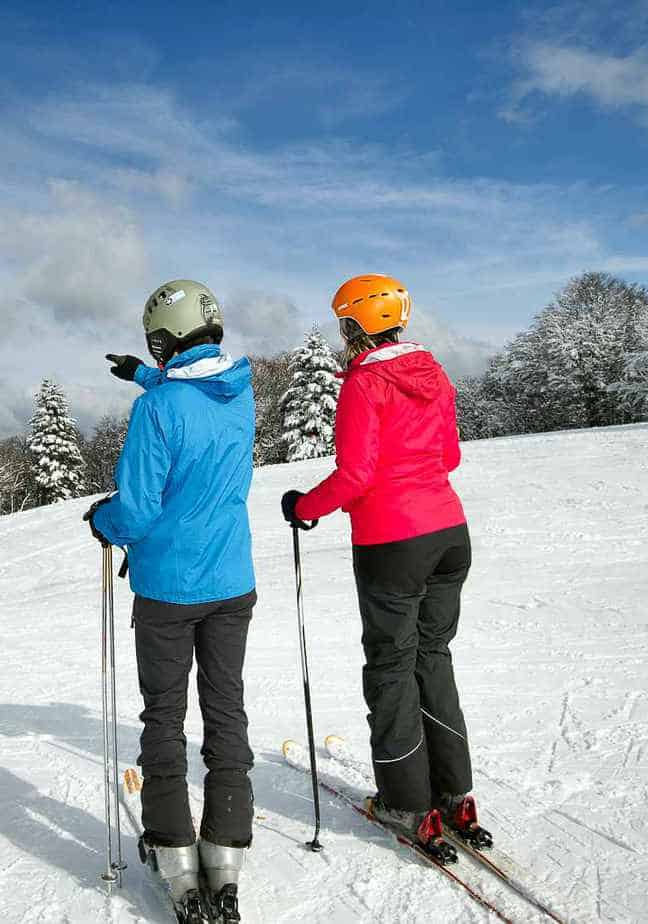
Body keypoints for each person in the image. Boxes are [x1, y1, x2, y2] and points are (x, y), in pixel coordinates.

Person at [279, 274, 491, 865]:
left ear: (355, 326)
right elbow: (448, 455)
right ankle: (454, 796)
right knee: (434, 658)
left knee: (392, 668)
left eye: (343, 323)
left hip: (392, 544)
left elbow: (355, 476)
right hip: (450, 534)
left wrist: (302, 507)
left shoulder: (363, 384)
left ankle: (405, 801)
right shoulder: (433, 372)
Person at [85, 279, 256, 924]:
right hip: (232, 586)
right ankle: (225, 852)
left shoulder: (158, 412)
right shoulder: (239, 393)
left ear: (163, 338)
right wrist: (145, 377)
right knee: (226, 710)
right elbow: (195, 405)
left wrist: (105, 521)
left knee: (164, 717)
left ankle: (176, 854)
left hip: (166, 591)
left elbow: (136, 506)